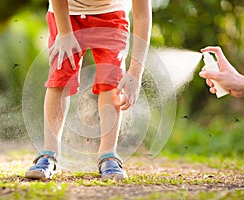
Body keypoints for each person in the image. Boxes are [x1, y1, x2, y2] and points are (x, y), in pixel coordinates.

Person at [25, 0, 152, 180]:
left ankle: (108, 156)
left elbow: (143, 16)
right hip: (66, 13)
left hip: (112, 14)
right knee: (61, 76)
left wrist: (135, 74)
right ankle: (48, 155)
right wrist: (65, 33)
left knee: (111, 80)